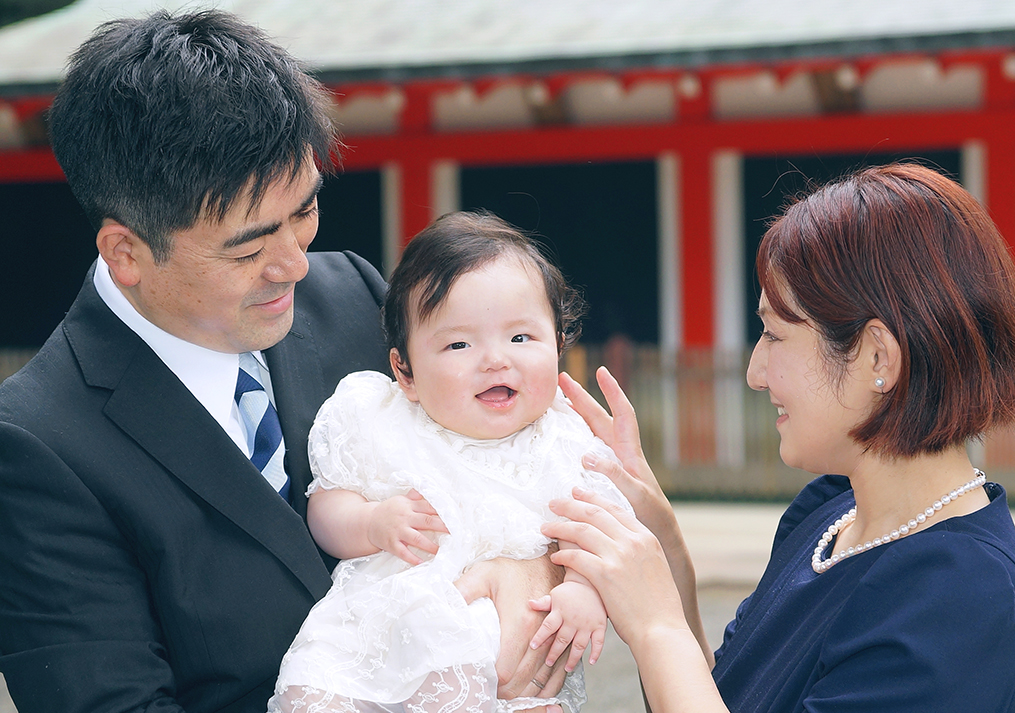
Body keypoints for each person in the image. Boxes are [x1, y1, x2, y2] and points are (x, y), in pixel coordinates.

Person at [0, 11, 565, 713]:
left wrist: (534, 567)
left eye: (304, 211)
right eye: (247, 247)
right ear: (127, 252)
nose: (293, 263)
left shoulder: (354, 298)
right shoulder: (38, 446)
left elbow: (526, 470)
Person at [543, 164, 1015, 712]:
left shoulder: (961, 596)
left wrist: (656, 627)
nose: (755, 371)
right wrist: (663, 540)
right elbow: (730, 699)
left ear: (877, 357)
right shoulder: (830, 507)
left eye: (773, 334)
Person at [268, 211, 632, 713]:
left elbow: (602, 537)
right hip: (382, 642)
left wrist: (585, 591)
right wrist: (371, 523)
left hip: (514, 660)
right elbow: (326, 508)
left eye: (521, 338)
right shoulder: (379, 419)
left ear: (560, 343)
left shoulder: (565, 441)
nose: (495, 360)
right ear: (406, 371)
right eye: (460, 344)